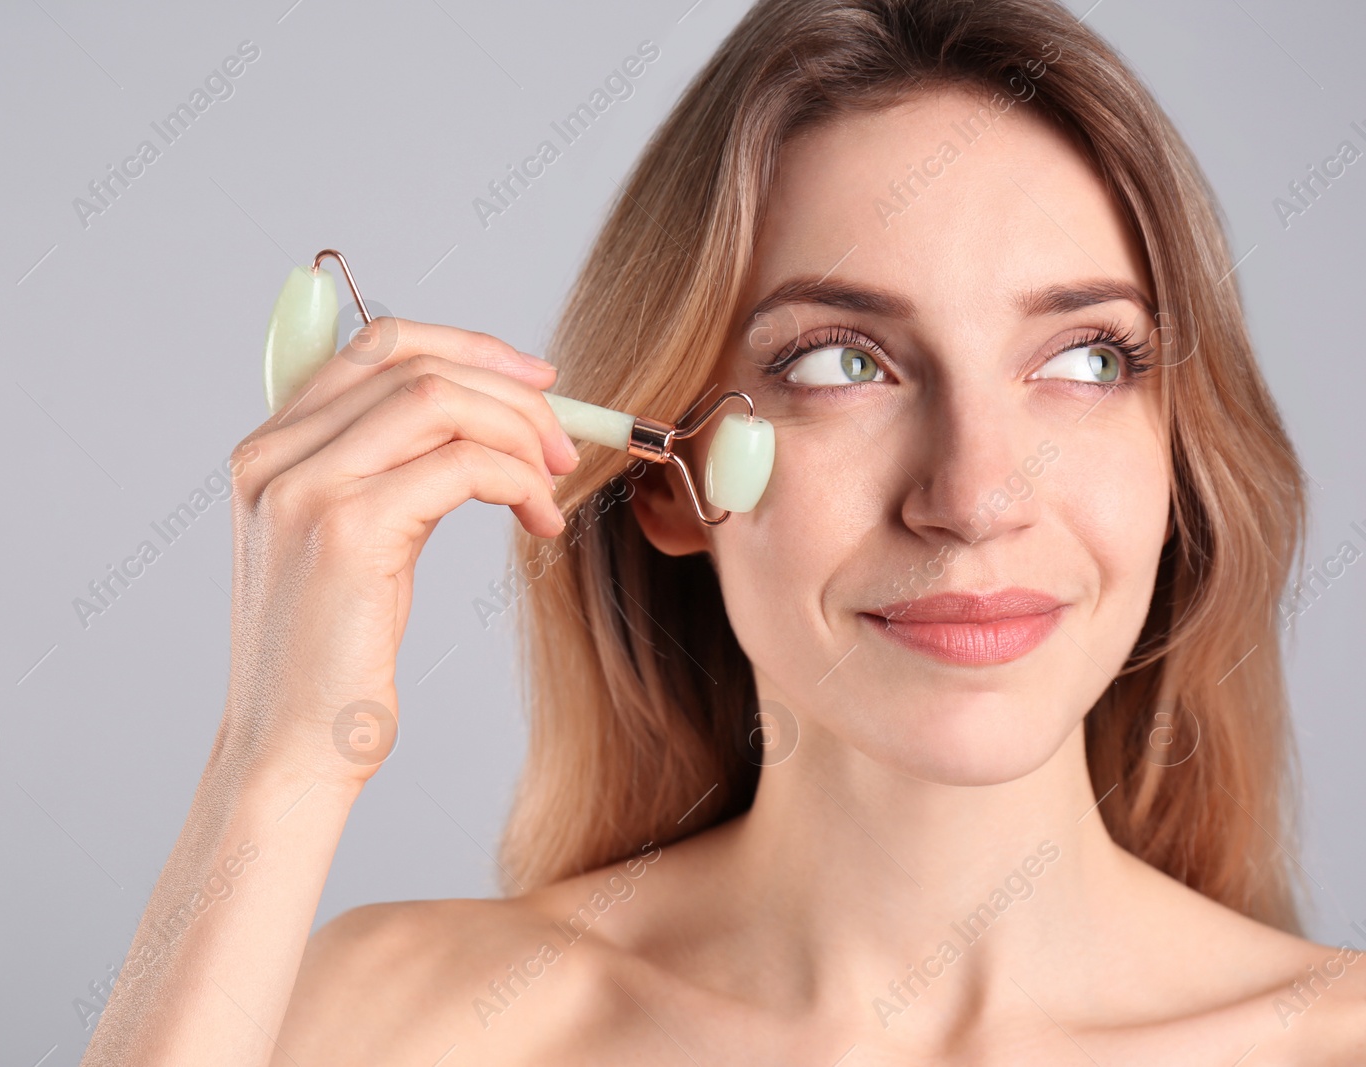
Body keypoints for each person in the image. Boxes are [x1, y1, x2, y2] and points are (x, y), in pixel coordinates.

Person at [81, 0, 1366, 1062]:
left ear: (1178, 457)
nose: (975, 497)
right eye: (840, 363)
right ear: (663, 478)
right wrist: (282, 755)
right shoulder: (405, 1022)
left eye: (1087, 357)